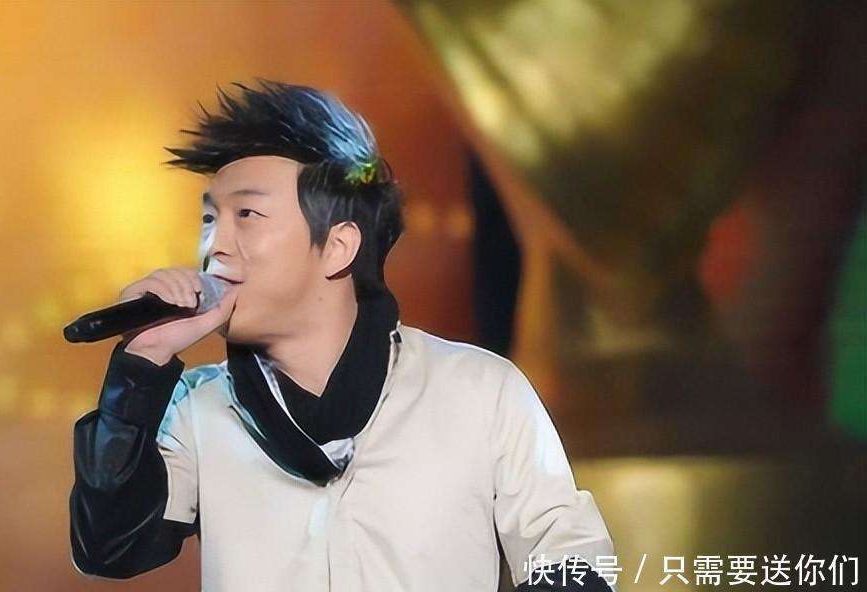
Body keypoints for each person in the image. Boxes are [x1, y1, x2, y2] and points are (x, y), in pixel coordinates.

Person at [69, 79, 617, 591]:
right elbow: (110, 548)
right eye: (210, 219)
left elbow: (573, 558)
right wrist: (141, 364)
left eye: (247, 214)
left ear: (337, 247)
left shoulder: (477, 390)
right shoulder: (197, 410)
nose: (216, 246)